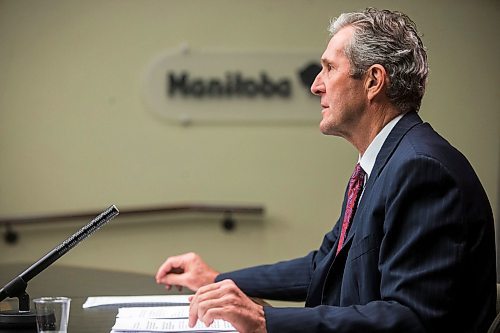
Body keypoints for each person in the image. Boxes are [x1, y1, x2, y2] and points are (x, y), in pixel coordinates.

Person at [155, 8, 496, 333]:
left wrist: (266, 322)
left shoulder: (422, 170)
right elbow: (325, 263)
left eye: (330, 68)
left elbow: (411, 319)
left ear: (374, 81)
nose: (316, 85)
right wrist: (217, 280)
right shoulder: (385, 162)